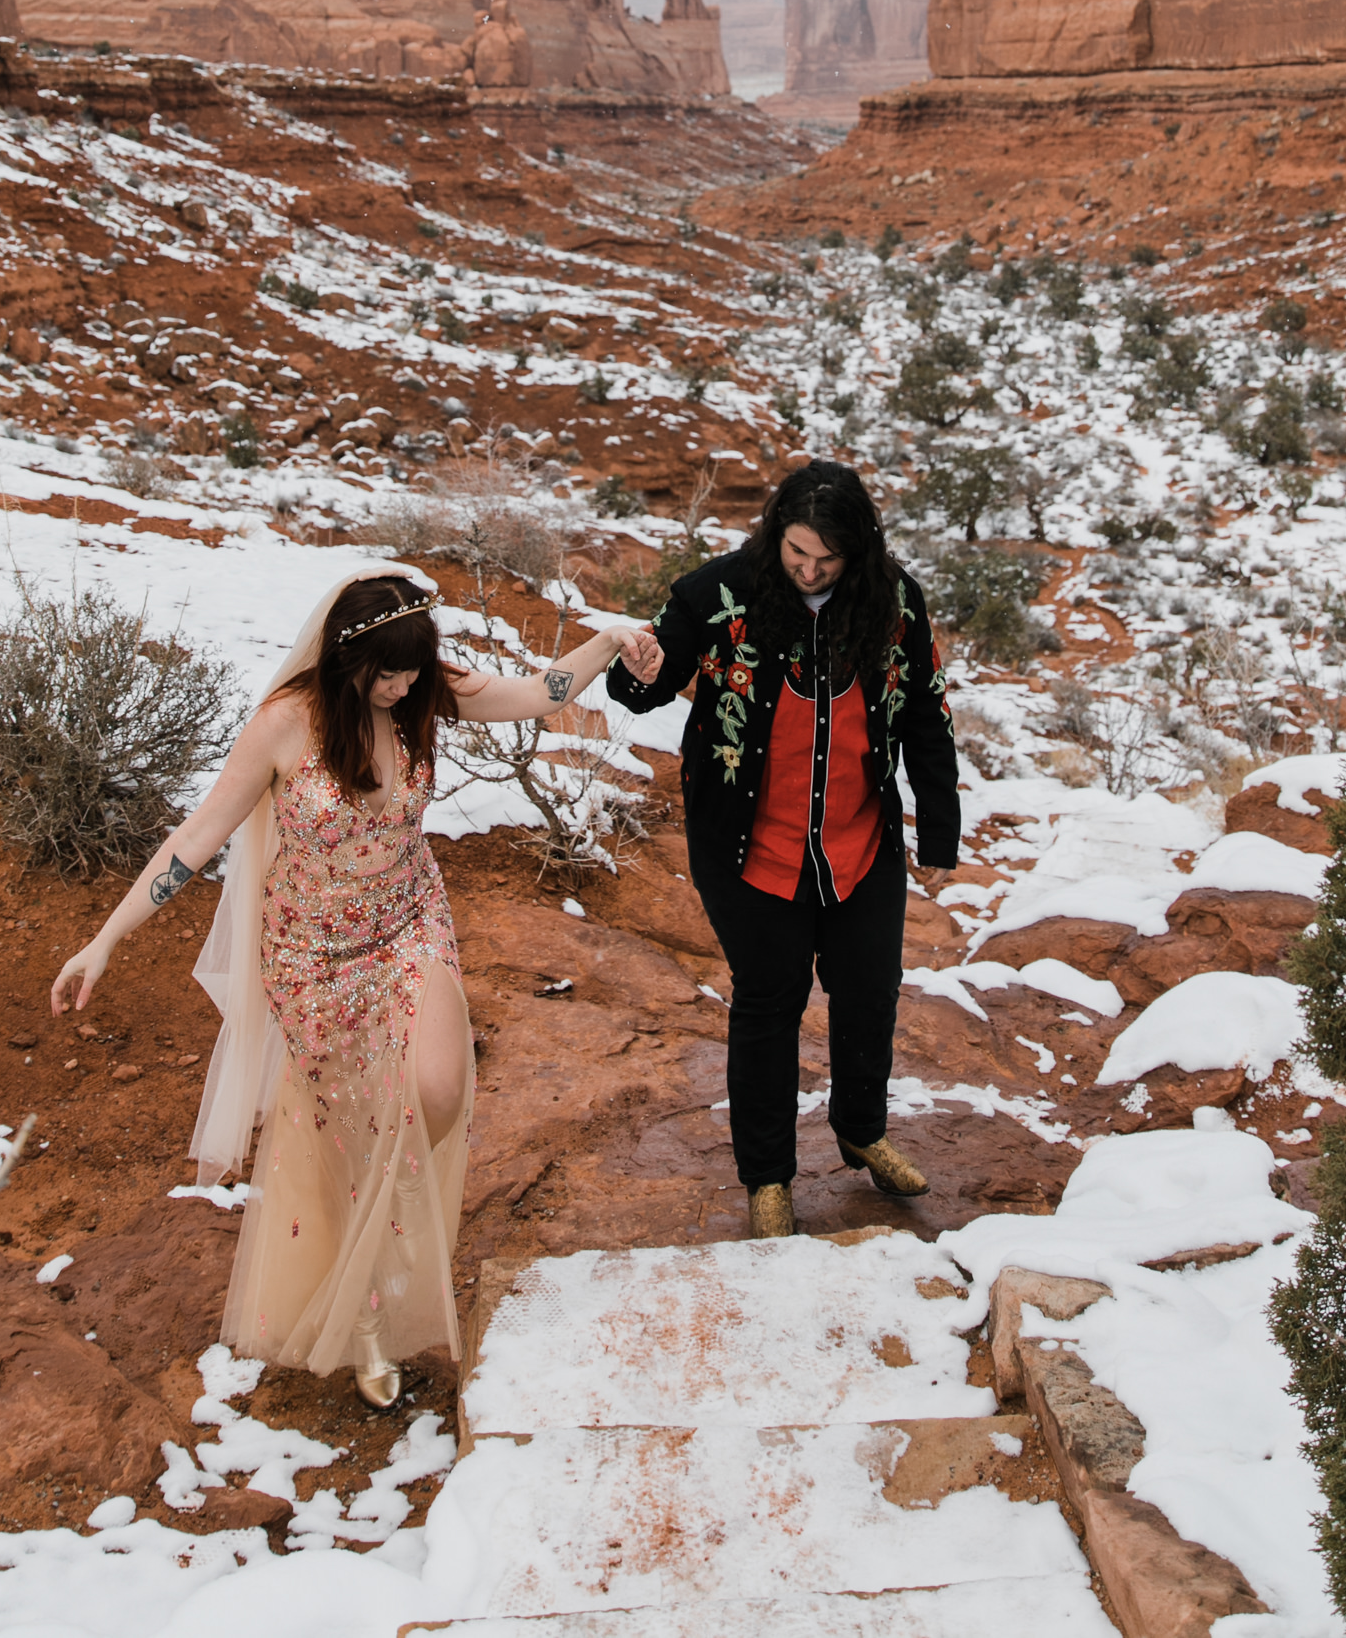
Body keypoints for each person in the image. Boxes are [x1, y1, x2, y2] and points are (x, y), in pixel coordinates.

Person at [51, 567, 660, 1409]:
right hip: (311, 958)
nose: (402, 687)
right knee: (358, 1132)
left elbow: (536, 693)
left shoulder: (421, 688)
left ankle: (389, 1238)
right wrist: (104, 940)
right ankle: (368, 1297)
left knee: (436, 1092)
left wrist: (608, 639)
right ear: (346, 659)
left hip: (409, 920)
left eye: (413, 670)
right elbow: (195, 839)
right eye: (386, 672)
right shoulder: (285, 725)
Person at [608, 458, 959, 1238]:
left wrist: (938, 828)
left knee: (870, 993)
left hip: (859, 839)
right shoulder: (715, 593)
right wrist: (637, 671)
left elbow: (926, 715)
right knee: (769, 1003)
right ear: (776, 536)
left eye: (826, 560)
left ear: (856, 553)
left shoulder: (895, 601)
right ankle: (767, 1177)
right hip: (747, 846)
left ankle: (862, 1131)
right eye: (797, 552)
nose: (808, 570)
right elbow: (646, 687)